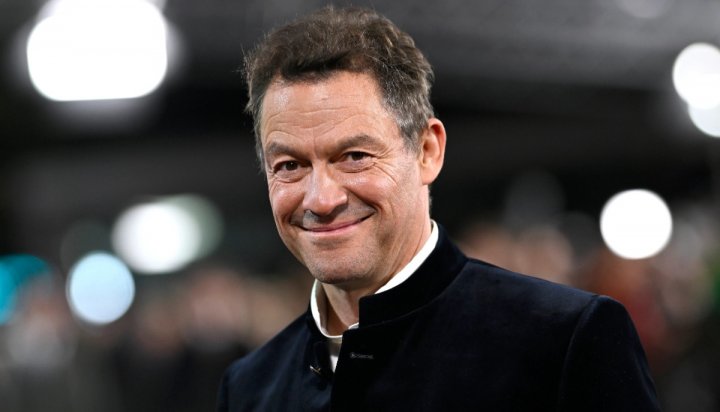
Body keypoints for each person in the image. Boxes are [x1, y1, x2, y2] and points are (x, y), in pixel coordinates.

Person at [217, 6, 660, 411]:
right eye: (290, 165)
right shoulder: (249, 387)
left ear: (427, 151)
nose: (321, 199)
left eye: (354, 157)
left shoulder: (564, 341)